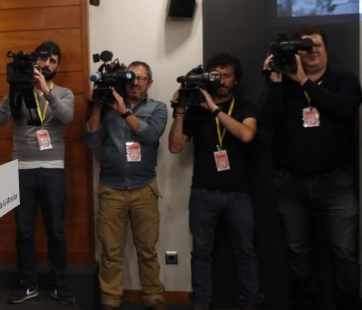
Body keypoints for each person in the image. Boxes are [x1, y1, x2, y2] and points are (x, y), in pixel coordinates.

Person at [259, 27, 361, 310]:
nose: (312, 50)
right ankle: (303, 304)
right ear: (296, 53)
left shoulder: (344, 80)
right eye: (305, 47)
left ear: (326, 50)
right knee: (297, 253)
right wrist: (275, 81)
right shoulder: (282, 85)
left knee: (345, 253)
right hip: (291, 184)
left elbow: (345, 108)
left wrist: (304, 82)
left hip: (337, 183)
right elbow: (268, 122)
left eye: (316, 45)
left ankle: (349, 305)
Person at [168, 52, 264, 310]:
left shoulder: (246, 108)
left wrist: (214, 109)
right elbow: (175, 147)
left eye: (227, 76)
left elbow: (246, 135)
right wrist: (180, 111)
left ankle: (251, 303)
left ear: (236, 81)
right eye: (216, 75)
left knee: (245, 252)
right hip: (203, 192)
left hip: (238, 193)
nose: (221, 80)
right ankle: (200, 303)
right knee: (201, 253)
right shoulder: (196, 113)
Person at [0, 40, 76, 305]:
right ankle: (27, 283)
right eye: (44, 59)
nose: (48, 64)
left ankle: (60, 285)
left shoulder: (64, 93)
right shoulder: (17, 90)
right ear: (35, 62)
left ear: (57, 65)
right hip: (22, 169)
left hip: (53, 169)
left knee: (56, 231)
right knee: (24, 232)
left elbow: (66, 117)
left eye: (53, 60)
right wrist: (13, 89)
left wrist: (46, 92)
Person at [84, 61, 168, 310]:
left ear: (149, 83)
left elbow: (151, 134)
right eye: (132, 77)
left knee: (147, 250)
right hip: (111, 190)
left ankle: (154, 298)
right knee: (110, 252)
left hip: (144, 189)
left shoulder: (158, 108)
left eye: (142, 78)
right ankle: (110, 300)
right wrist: (97, 105)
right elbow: (91, 141)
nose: (136, 82)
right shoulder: (108, 106)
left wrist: (123, 111)